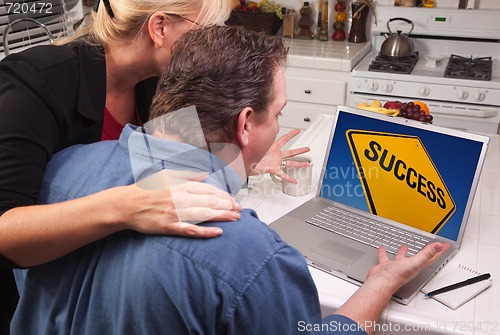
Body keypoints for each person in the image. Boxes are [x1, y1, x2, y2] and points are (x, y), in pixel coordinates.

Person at [12, 25, 449, 335]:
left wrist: (241, 163)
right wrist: (382, 282)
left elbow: (174, 137)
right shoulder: (251, 257)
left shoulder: (61, 169)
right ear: (244, 124)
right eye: (277, 114)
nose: (278, 124)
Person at [0, 0, 308, 331]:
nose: (213, 42)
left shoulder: (158, 82)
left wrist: (244, 156)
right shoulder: (36, 84)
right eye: (205, 30)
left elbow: (187, 153)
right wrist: (128, 205)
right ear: (159, 27)